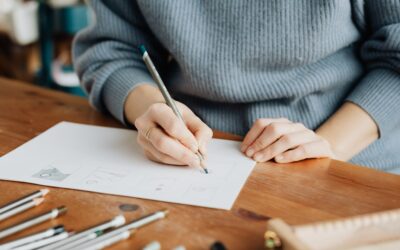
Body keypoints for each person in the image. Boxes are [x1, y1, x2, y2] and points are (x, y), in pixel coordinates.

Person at [73, 1, 400, 173]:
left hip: (351, 157)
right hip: (192, 160)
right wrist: (149, 109)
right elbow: (111, 50)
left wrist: (329, 145)